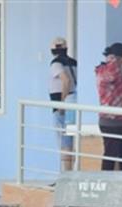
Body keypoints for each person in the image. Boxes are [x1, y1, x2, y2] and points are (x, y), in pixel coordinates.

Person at [95, 42, 122, 171]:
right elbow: (111, 76)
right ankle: (106, 183)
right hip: (110, 120)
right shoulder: (103, 70)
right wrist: (114, 61)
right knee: (110, 155)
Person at [48, 37, 77, 173]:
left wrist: (61, 103)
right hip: (75, 102)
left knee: (64, 141)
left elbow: (66, 80)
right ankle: (69, 172)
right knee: (70, 138)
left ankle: (66, 174)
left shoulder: (56, 64)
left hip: (64, 104)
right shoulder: (74, 63)